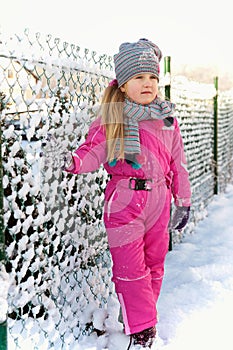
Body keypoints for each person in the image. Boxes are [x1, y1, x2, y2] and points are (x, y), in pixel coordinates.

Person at [49, 38, 191, 349]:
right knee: (130, 269)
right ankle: (142, 332)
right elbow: (93, 152)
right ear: (123, 84)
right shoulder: (113, 118)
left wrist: (183, 202)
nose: (148, 83)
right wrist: (71, 161)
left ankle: (143, 317)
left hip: (160, 201)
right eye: (139, 77)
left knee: (155, 264)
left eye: (153, 77)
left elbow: (178, 163)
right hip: (125, 201)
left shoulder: (167, 119)